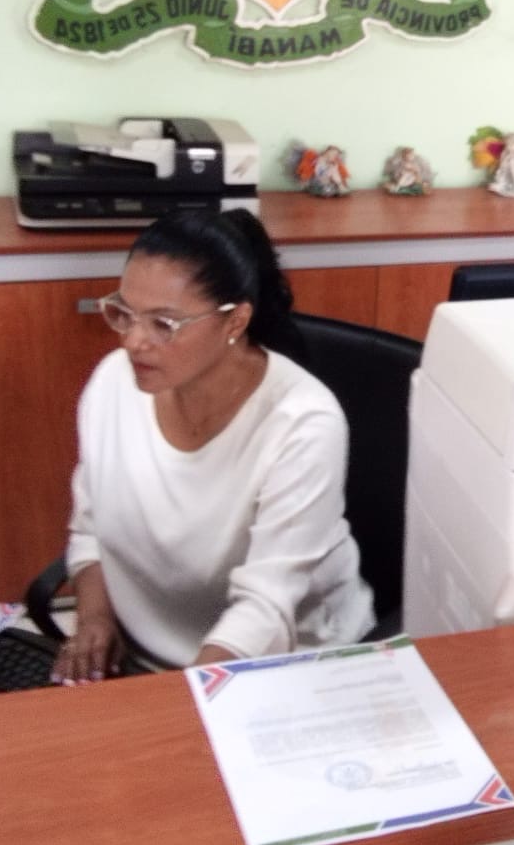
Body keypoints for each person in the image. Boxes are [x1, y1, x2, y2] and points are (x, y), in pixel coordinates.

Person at [51, 208, 374, 684]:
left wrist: (183, 701)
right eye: (125, 314)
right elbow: (90, 529)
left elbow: (266, 607)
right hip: (149, 666)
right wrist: (95, 621)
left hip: (284, 667)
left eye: (164, 323)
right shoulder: (113, 384)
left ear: (235, 321)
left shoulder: (302, 422)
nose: (133, 341)